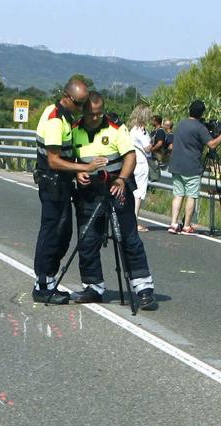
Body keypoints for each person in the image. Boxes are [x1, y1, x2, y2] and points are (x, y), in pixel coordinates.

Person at [70, 92, 157, 310]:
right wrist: (77, 174)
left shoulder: (117, 129)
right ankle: (93, 286)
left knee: (129, 239)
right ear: (83, 112)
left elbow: (130, 156)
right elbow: (70, 160)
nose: (95, 118)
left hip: (117, 189)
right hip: (89, 192)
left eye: (99, 114)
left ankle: (143, 289)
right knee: (87, 239)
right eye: (91, 114)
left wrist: (121, 179)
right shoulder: (74, 130)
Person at [31, 77, 108, 304]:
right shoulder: (55, 120)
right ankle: (43, 285)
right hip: (52, 183)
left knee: (62, 233)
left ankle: (48, 280)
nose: (83, 109)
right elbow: (54, 160)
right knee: (53, 233)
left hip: (61, 184)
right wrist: (85, 167)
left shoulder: (62, 116)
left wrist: (75, 173)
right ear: (67, 98)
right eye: (80, 104)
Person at [167, 100, 221, 234]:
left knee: (178, 195)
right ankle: (186, 226)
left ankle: (173, 223)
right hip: (191, 166)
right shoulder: (200, 127)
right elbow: (212, 145)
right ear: (202, 113)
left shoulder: (181, 124)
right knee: (191, 196)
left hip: (176, 165)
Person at [127, 104, 153, 231]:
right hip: (141, 162)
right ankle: (134, 221)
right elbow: (147, 147)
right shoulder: (141, 131)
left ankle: (131, 220)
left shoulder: (132, 129)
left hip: (133, 161)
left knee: (133, 192)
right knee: (139, 193)